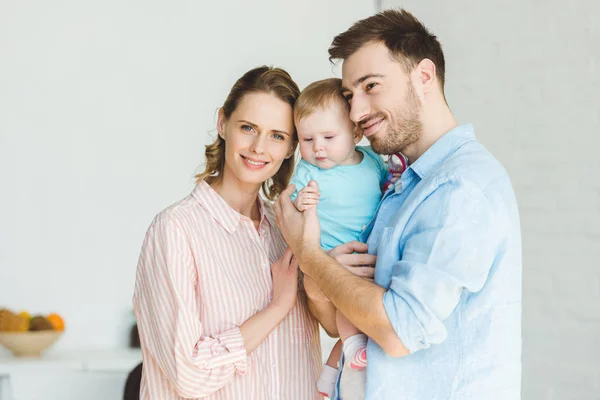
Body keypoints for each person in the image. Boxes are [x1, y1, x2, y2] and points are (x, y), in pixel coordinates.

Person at [274, 9, 522, 400]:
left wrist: (309, 255)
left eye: (371, 86)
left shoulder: (459, 187)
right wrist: (321, 276)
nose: (356, 112)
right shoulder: (398, 184)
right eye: (349, 96)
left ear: (423, 77)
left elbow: (396, 329)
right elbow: (339, 323)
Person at [133, 66, 322, 400]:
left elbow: (334, 326)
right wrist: (277, 307)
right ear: (223, 123)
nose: (259, 147)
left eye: (277, 135)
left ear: (291, 147)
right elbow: (188, 375)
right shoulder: (176, 230)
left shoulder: (288, 229)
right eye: (248, 128)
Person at [289, 78, 391, 398]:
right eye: (307, 139)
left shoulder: (372, 161)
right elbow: (292, 208)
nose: (317, 147)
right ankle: (350, 357)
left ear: (356, 133)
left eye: (328, 137)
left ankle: (329, 375)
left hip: (369, 253)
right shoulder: (308, 172)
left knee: (363, 315)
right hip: (333, 256)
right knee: (351, 314)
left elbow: (387, 186)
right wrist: (300, 202)